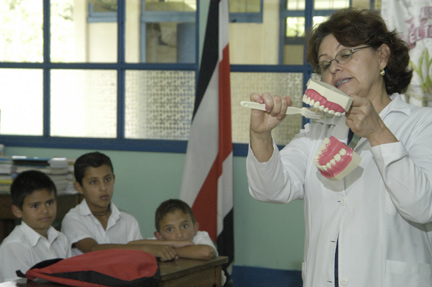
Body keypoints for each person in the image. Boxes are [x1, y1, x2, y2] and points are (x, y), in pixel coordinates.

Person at [246, 8, 432, 287]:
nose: (333, 68)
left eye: (346, 55)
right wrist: (260, 135)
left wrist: (377, 132)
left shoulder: (422, 124)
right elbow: (271, 189)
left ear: (382, 56)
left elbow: (422, 207)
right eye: (325, 63)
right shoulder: (317, 132)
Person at [61, 151, 177, 261]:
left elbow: (140, 258)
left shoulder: (128, 221)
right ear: (79, 187)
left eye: (107, 179)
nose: (103, 187)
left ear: (114, 179)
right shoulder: (73, 219)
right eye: (93, 182)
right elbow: (93, 249)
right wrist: (145, 248)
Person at [0, 170, 71, 282]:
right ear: (17, 211)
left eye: (49, 203)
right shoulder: (14, 246)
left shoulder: (61, 239)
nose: (45, 210)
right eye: (35, 206)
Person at [129, 199, 217, 260]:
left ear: (195, 228)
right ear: (159, 236)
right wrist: (171, 243)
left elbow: (206, 252)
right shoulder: (159, 242)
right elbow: (130, 245)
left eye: (184, 226)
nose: (179, 234)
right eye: (170, 229)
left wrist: (168, 251)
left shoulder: (199, 237)